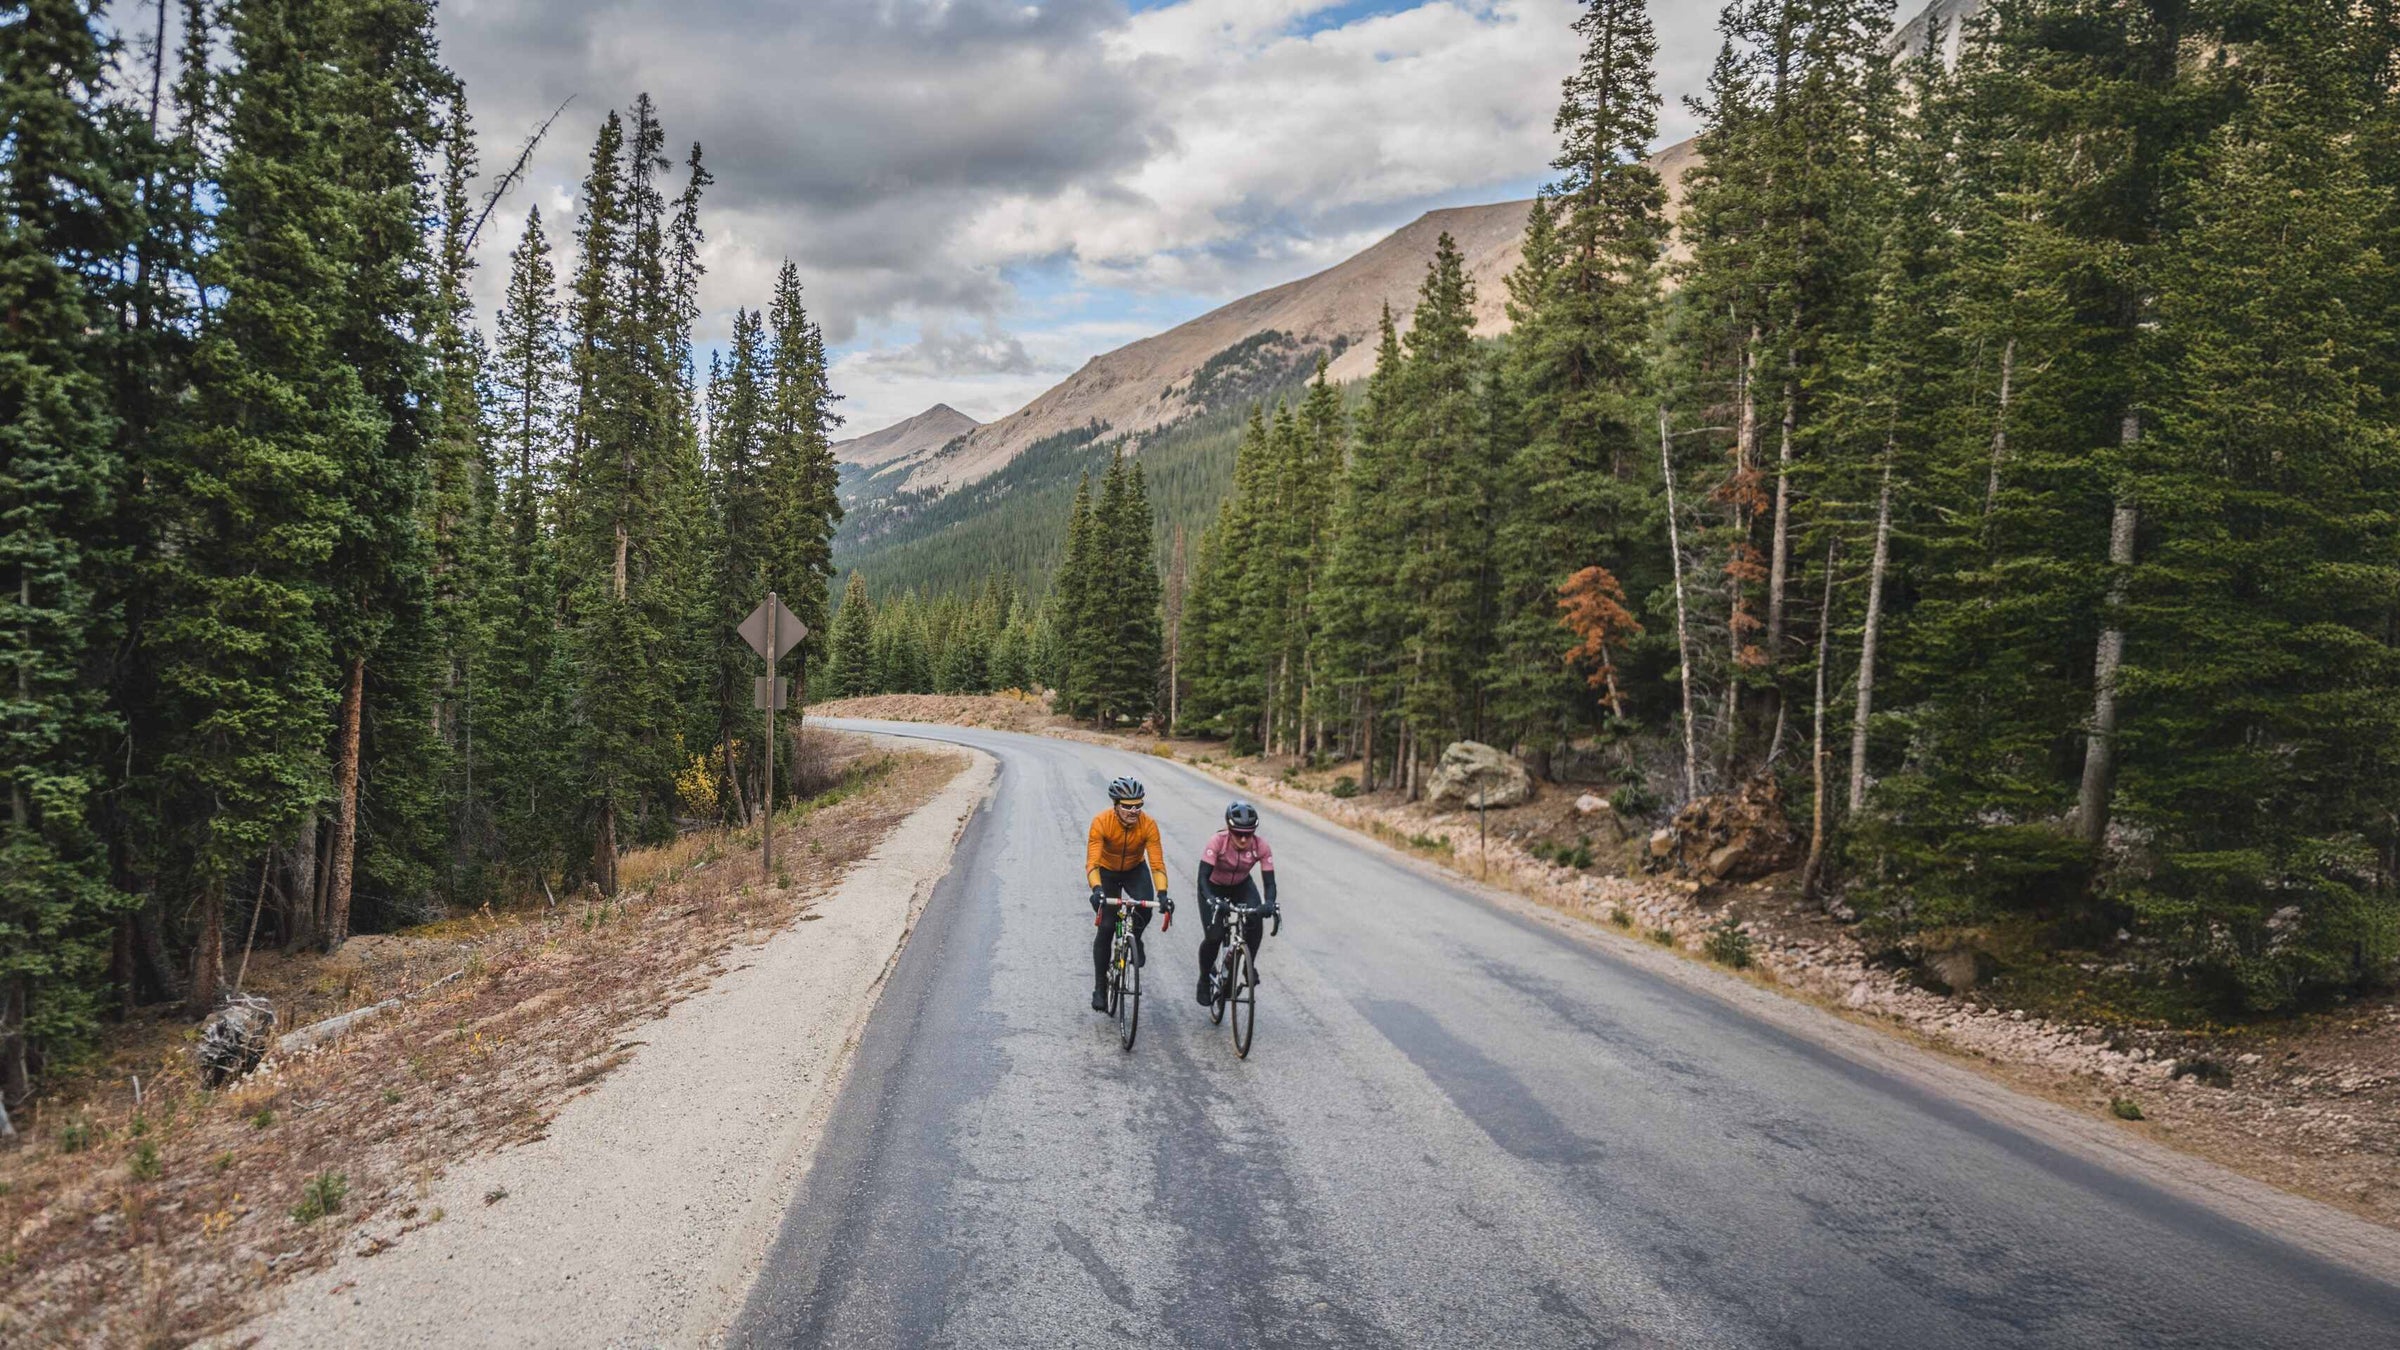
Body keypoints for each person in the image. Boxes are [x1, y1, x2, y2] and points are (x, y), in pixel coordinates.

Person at [1086, 776, 1172, 1012]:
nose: (1134, 811)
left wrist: (1163, 894)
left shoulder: (1148, 825)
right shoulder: (1101, 822)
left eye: (1138, 805)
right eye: (1127, 806)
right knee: (1107, 926)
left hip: (1135, 869)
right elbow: (1092, 863)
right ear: (1115, 805)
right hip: (1107, 872)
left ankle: (1136, 938)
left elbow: (1157, 865)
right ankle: (1100, 987)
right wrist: (1097, 889)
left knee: (1146, 907)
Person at [1195, 801, 1278, 1006]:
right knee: (1214, 936)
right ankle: (1204, 979)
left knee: (1256, 920)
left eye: (1248, 834)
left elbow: (1270, 882)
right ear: (1229, 829)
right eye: (1238, 833)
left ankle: (1248, 965)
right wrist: (1212, 900)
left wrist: (1269, 903)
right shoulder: (1217, 842)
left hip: (1241, 885)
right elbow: (1202, 878)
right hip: (1213, 886)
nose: (1243, 839)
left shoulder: (1262, 846)